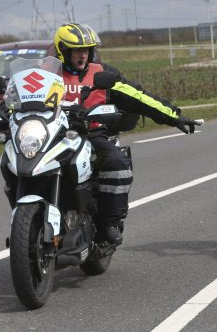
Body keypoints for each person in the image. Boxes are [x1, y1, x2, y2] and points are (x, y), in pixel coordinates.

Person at [53, 23, 199, 245]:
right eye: (76, 50)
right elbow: (20, 98)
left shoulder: (102, 74)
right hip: (53, 137)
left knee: (117, 161)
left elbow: (138, 97)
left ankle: (109, 222)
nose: (83, 54)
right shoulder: (48, 76)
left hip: (91, 136)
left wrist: (174, 116)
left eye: (86, 49)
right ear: (63, 51)